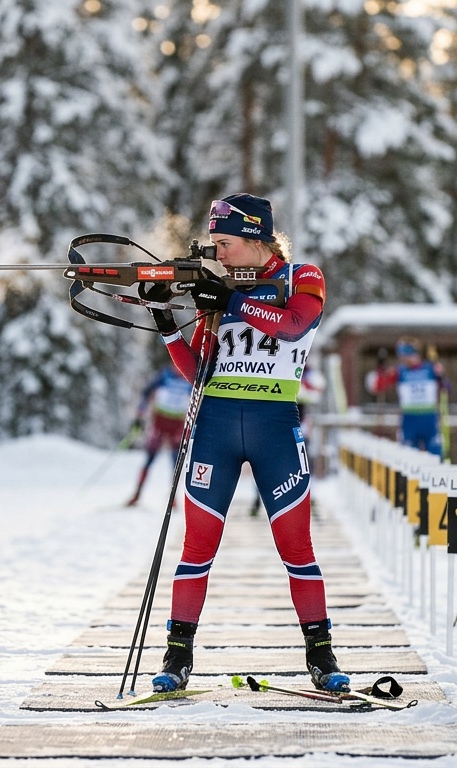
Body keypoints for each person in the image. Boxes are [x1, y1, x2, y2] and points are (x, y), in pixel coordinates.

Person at [144, 193, 346, 693]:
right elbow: (199, 371)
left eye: (226, 243)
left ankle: (321, 654)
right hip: (214, 427)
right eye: (213, 244)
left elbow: (296, 325)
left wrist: (232, 301)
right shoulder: (215, 286)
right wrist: (168, 324)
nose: (219, 253)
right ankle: (176, 655)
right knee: (196, 546)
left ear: (256, 237)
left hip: (274, 426)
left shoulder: (302, 278)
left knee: (297, 546)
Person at [365, 337, 445, 457]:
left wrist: (441, 377)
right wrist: (380, 370)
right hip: (409, 419)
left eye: (405, 355)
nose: (402, 359)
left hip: (429, 419)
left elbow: (446, 386)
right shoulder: (400, 371)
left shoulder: (430, 369)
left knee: (435, 456)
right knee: (409, 456)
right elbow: (378, 386)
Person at [126, 365, 192, 506]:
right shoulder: (164, 375)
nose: (178, 369)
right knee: (150, 458)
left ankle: (173, 498)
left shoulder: (189, 376)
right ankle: (137, 493)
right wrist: (139, 416)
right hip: (160, 421)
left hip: (177, 424)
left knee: (176, 462)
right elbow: (146, 392)